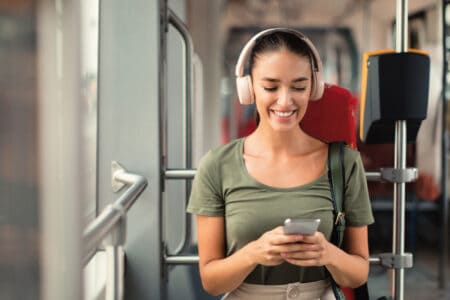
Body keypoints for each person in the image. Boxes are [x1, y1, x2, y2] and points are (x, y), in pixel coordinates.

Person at [187, 28, 374, 300]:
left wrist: (328, 254)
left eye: (298, 87)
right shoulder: (216, 165)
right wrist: (255, 253)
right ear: (248, 87)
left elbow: (359, 273)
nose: (285, 101)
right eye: (271, 87)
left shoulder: (345, 163)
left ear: (314, 87)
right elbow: (211, 282)